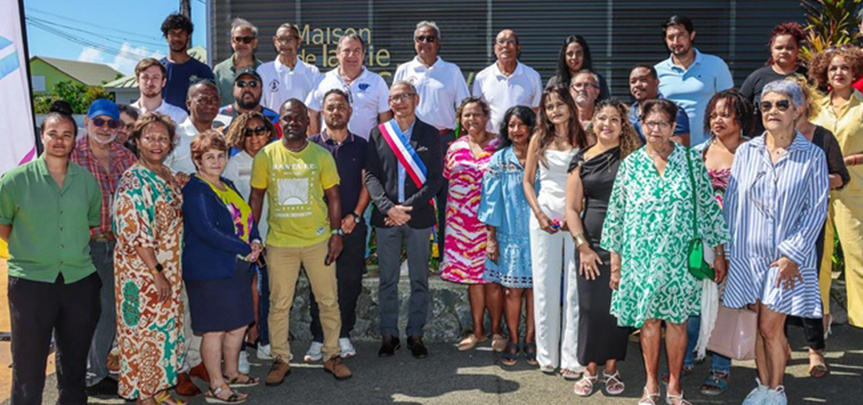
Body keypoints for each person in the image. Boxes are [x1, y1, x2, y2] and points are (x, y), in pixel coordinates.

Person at [601, 98, 729, 405]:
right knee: (648, 322)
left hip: (680, 258)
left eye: (662, 124)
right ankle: (650, 385)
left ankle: (673, 385)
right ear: (640, 125)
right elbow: (616, 215)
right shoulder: (631, 164)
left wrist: (720, 252)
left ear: (674, 127)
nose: (655, 129)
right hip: (640, 258)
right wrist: (616, 265)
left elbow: (709, 209)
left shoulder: (690, 161)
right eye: (649, 123)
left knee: (677, 322)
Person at [723, 80, 829, 405]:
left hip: (786, 261)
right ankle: (763, 387)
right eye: (766, 105)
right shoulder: (746, 151)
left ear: (797, 110)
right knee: (759, 326)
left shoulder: (812, 156)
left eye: (781, 104)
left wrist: (792, 255)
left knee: (771, 326)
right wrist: (726, 252)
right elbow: (732, 203)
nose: (772, 111)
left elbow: (816, 209)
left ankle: (776, 390)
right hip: (747, 256)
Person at [1, 104, 102, 405]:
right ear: (41, 136)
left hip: (79, 281)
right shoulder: (15, 180)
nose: (59, 140)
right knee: (28, 366)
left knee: (73, 366)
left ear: (74, 140)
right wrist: (32, 248)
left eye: (67, 135)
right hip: (31, 283)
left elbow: (91, 224)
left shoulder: (86, 182)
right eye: (53, 133)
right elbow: (4, 224)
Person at [249, 99, 352, 385]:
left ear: (308, 123)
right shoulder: (266, 156)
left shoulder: (321, 155)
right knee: (279, 304)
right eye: (287, 118)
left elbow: (333, 197)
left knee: (328, 300)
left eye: (298, 117)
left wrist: (335, 234)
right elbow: (256, 197)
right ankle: (281, 359)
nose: (292, 122)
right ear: (279, 123)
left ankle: (332, 355)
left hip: (318, 240)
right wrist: (251, 235)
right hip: (280, 243)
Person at [565, 98, 641, 397]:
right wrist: (583, 246)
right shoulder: (580, 159)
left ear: (623, 126)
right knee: (590, 309)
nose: (607, 124)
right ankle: (590, 369)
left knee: (617, 311)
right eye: (601, 118)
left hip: (626, 246)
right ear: (592, 123)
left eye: (613, 119)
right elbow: (571, 208)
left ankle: (611, 368)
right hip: (591, 246)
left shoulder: (634, 158)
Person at [365, 81, 443, 359]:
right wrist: (388, 208)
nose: (400, 102)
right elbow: (371, 176)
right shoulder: (378, 133)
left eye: (405, 96)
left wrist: (404, 208)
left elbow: (435, 180)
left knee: (420, 279)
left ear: (416, 99)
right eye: (394, 98)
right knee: (388, 279)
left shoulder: (431, 134)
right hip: (386, 218)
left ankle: (415, 334)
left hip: (417, 216)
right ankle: (389, 334)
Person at [182, 130, 262, 403]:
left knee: (239, 324)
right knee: (215, 329)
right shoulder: (195, 190)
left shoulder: (226, 184)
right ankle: (216, 386)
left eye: (220, 155)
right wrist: (245, 248)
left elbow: (248, 218)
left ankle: (231, 372)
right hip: (209, 272)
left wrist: (256, 239)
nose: (216, 161)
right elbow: (207, 231)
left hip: (236, 269)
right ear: (197, 160)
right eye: (209, 157)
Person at [113, 112, 186, 405]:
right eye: (149, 137)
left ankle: (158, 389)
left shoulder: (165, 173)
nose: (156, 143)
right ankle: (144, 395)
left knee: (164, 333)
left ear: (170, 144)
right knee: (143, 335)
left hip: (168, 269)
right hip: (142, 275)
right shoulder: (133, 180)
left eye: (162, 138)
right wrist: (156, 272)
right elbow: (136, 233)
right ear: (137, 141)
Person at [684, 90, 752, 396]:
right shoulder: (697, 152)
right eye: (713, 114)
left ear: (741, 117)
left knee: (727, 305)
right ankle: (689, 354)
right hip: (700, 242)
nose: (717, 120)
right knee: (694, 302)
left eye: (725, 113)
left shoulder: (755, 152)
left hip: (739, 242)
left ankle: (720, 368)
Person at [68, 99, 136, 397]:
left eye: (112, 123)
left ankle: (96, 373)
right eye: (100, 121)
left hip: (117, 247)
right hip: (82, 246)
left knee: (109, 311)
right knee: (79, 312)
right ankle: (78, 375)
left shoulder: (125, 157)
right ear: (87, 120)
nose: (106, 128)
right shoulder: (71, 154)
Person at [785, 73, 850, 379]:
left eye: (794, 100)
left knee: (809, 286)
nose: (788, 106)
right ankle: (780, 344)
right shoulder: (768, 137)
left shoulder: (822, 137)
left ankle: (815, 350)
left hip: (811, 225)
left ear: (805, 104)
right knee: (775, 284)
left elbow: (840, 177)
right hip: (774, 225)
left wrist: (815, 180)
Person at [523, 86, 589, 379]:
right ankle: (546, 354)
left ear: (570, 105)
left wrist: (576, 212)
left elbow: (592, 179)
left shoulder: (586, 137)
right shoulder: (538, 137)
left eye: (559, 104)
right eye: (549, 107)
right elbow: (527, 181)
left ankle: (572, 359)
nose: (555, 111)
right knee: (544, 284)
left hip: (576, 215)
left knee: (575, 288)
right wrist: (538, 213)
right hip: (543, 216)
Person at [394, 20, 470, 257]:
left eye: (430, 38)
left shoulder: (452, 71)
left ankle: (447, 257)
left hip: (443, 142)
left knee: (446, 199)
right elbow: (394, 107)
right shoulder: (404, 70)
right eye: (420, 38)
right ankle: (414, 257)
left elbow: (464, 110)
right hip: (411, 143)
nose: (424, 43)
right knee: (413, 199)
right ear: (414, 42)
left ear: (439, 42)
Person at [306, 89, 370, 361]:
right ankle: (319, 338)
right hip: (319, 228)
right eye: (330, 107)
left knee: (349, 282)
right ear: (322, 111)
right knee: (319, 285)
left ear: (350, 111)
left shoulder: (363, 145)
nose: (335, 111)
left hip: (352, 225)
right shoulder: (310, 145)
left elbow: (368, 184)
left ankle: (343, 334)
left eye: (341, 107)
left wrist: (355, 215)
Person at [439, 98, 503, 352]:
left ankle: (497, 331)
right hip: (460, 225)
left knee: (493, 279)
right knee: (473, 280)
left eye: (476, 114)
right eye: (466, 115)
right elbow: (447, 183)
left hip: (492, 224)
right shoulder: (454, 147)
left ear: (486, 116)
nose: (471, 120)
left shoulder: (500, 145)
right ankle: (478, 332)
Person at [479, 106, 538, 367]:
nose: (517, 130)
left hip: (539, 235)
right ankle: (513, 339)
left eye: (522, 125)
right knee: (513, 291)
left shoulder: (544, 157)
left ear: (532, 128)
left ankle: (531, 340)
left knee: (535, 292)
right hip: (509, 236)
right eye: (512, 125)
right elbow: (491, 202)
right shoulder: (499, 160)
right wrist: (491, 238)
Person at [810, 47, 863, 330]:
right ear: (825, 74)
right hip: (818, 188)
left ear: (854, 72)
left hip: (855, 188)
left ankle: (861, 320)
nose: (839, 72)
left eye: (844, 67)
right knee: (818, 257)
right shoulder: (815, 108)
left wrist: (850, 160)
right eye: (833, 68)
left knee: (858, 254)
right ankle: (821, 317)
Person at [223, 112, 277, 362]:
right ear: (239, 135)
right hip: (244, 240)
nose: (255, 137)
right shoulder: (233, 165)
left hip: (275, 237)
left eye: (260, 130)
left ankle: (265, 339)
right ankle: (241, 350)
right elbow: (230, 204)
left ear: (268, 132)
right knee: (243, 292)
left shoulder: (278, 158)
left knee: (270, 292)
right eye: (248, 132)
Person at [655, 15, 734, 146]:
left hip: (710, 147)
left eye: (681, 35)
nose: (676, 41)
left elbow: (731, 105)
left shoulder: (716, 65)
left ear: (692, 35)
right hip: (671, 149)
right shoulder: (657, 72)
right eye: (670, 37)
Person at [306, 33, 391, 138]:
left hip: (366, 151)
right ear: (337, 54)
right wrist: (315, 146)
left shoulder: (377, 82)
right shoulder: (323, 80)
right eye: (346, 50)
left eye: (357, 51)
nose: (351, 55)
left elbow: (386, 120)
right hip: (327, 151)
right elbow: (312, 115)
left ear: (363, 54)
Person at [740, 22, 808, 135]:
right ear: (771, 49)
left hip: (803, 140)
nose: (784, 51)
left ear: (798, 50)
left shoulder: (808, 77)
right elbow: (740, 109)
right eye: (779, 48)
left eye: (789, 48)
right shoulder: (757, 77)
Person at [472, 29, 543, 134]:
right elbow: (477, 112)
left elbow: (537, 111)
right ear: (495, 48)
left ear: (518, 48)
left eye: (511, 42)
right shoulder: (482, 77)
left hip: (523, 140)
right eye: (501, 42)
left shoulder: (532, 76)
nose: (505, 45)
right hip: (492, 140)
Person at [258, 23, 321, 112]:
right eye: (281, 39)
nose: (284, 44)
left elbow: (315, 109)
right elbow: (260, 108)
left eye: (289, 39)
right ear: (275, 41)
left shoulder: (312, 72)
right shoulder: (263, 71)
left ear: (299, 42)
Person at [166, 79, 223, 175]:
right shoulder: (174, 135)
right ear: (188, 104)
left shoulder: (220, 137)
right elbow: (160, 169)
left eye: (214, 100)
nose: (209, 105)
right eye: (202, 100)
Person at [159, 13, 214, 113]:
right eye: (172, 33)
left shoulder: (202, 70)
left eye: (181, 33)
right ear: (166, 37)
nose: (176, 38)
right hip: (164, 126)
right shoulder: (158, 69)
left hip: (194, 127)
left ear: (188, 36)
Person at [627, 64, 690, 143]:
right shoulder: (628, 114)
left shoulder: (673, 111)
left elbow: (680, 147)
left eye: (643, 80)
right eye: (633, 82)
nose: (637, 85)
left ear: (656, 82)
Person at [214, 18, 263, 106]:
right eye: (238, 39)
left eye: (247, 39)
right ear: (232, 41)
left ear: (255, 43)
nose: (241, 44)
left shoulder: (263, 70)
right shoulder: (219, 71)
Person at [215, 68, 280, 133]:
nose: (247, 88)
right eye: (241, 84)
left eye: (252, 84)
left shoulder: (275, 119)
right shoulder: (217, 116)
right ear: (233, 89)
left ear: (261, 90)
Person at [547, 35, 610, 100]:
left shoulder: (598, 81)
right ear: (564, 57)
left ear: (584, 55)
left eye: (578, 53)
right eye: (570, 54)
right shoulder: (555, 83)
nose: (574, 57)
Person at [130, 58, 189, 125]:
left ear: (163, 82)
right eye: (145, 77)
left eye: (155, 77)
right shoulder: (127, 115)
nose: (150, 83)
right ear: (137, 80)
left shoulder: (179, 116)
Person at [569, 70, 601, 134]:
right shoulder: (563, 121)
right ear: (570, 91)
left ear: (597, 92)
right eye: (578, 85)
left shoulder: (604, 121)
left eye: (587, 85)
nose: (582, 89)